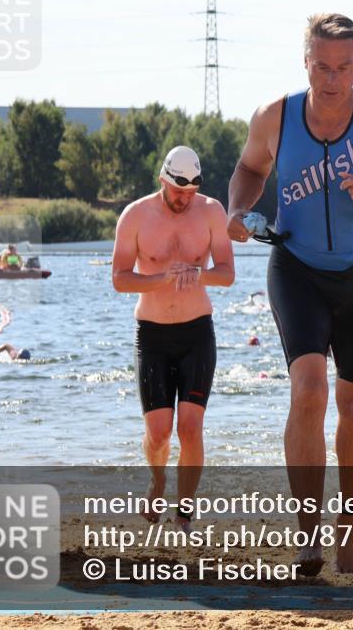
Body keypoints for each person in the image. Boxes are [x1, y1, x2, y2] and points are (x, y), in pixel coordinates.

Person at [225, 13, 353, 574]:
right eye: (322, 66)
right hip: (296, 267)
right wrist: (238, 210)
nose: (332, 78)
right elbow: (248, 169)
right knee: (310, 389)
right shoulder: (276, 115)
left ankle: (347, 526)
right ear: (306, 61)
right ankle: (308, 534)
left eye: (343, 67)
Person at [112, 145, 235, 531]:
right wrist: (158, 279)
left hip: (197, 331)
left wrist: (199, 275)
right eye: (178, 191)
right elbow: (118, 278)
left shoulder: (212, 212)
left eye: (191, 192)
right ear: (163, 181)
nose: (185, 200)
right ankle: (157, 480)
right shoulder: (135, 215)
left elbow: (228, 272)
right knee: (159, 431)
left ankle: (184, 509)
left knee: (191, 428)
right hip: (152, 335)